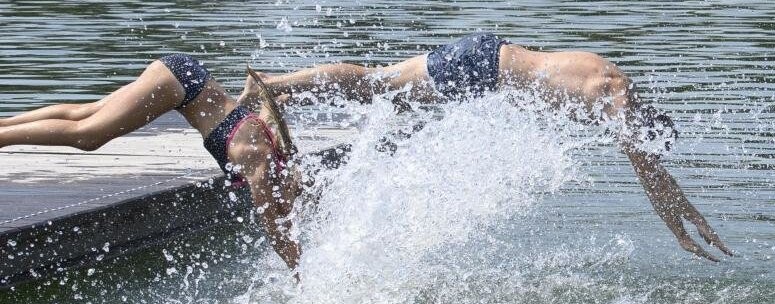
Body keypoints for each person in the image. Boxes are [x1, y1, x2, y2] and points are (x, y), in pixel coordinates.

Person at [240, 33, 733, 262]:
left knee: (377, 83)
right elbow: (651, 176)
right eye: (649, 141)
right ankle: (273, 83)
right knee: (377, 87)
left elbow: (653, 171)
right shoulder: (616, 97)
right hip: (481, 70)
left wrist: (686, 216)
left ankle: (280, 86)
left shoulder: (612, 76)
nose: (640, 146)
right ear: (649, 124)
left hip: (483, 56)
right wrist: (684, 231)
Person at [0, 54, 301, 270]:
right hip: (181, 84)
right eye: (292, 194)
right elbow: (271, 218)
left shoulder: (270, 148)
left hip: (184, 79)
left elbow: (279, 211)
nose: (289, 203)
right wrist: (299, 271)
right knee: (89, 135)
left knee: (86, 113)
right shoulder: (259, 158)